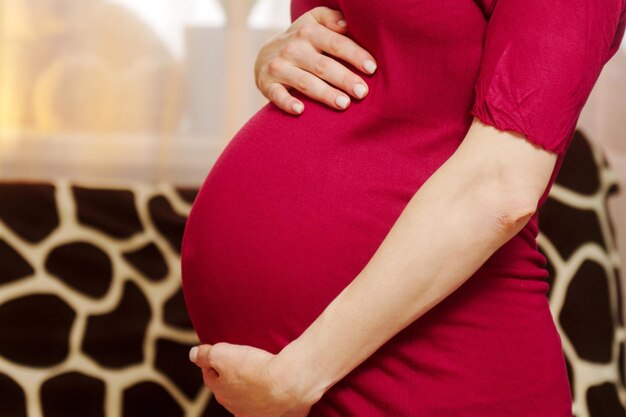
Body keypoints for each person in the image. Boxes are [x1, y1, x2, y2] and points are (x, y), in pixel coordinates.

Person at [181, 0, 626, 416]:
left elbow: (501, 186)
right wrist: (281, 56)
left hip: (438, 375)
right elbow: (400, 64)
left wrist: (296, 375)